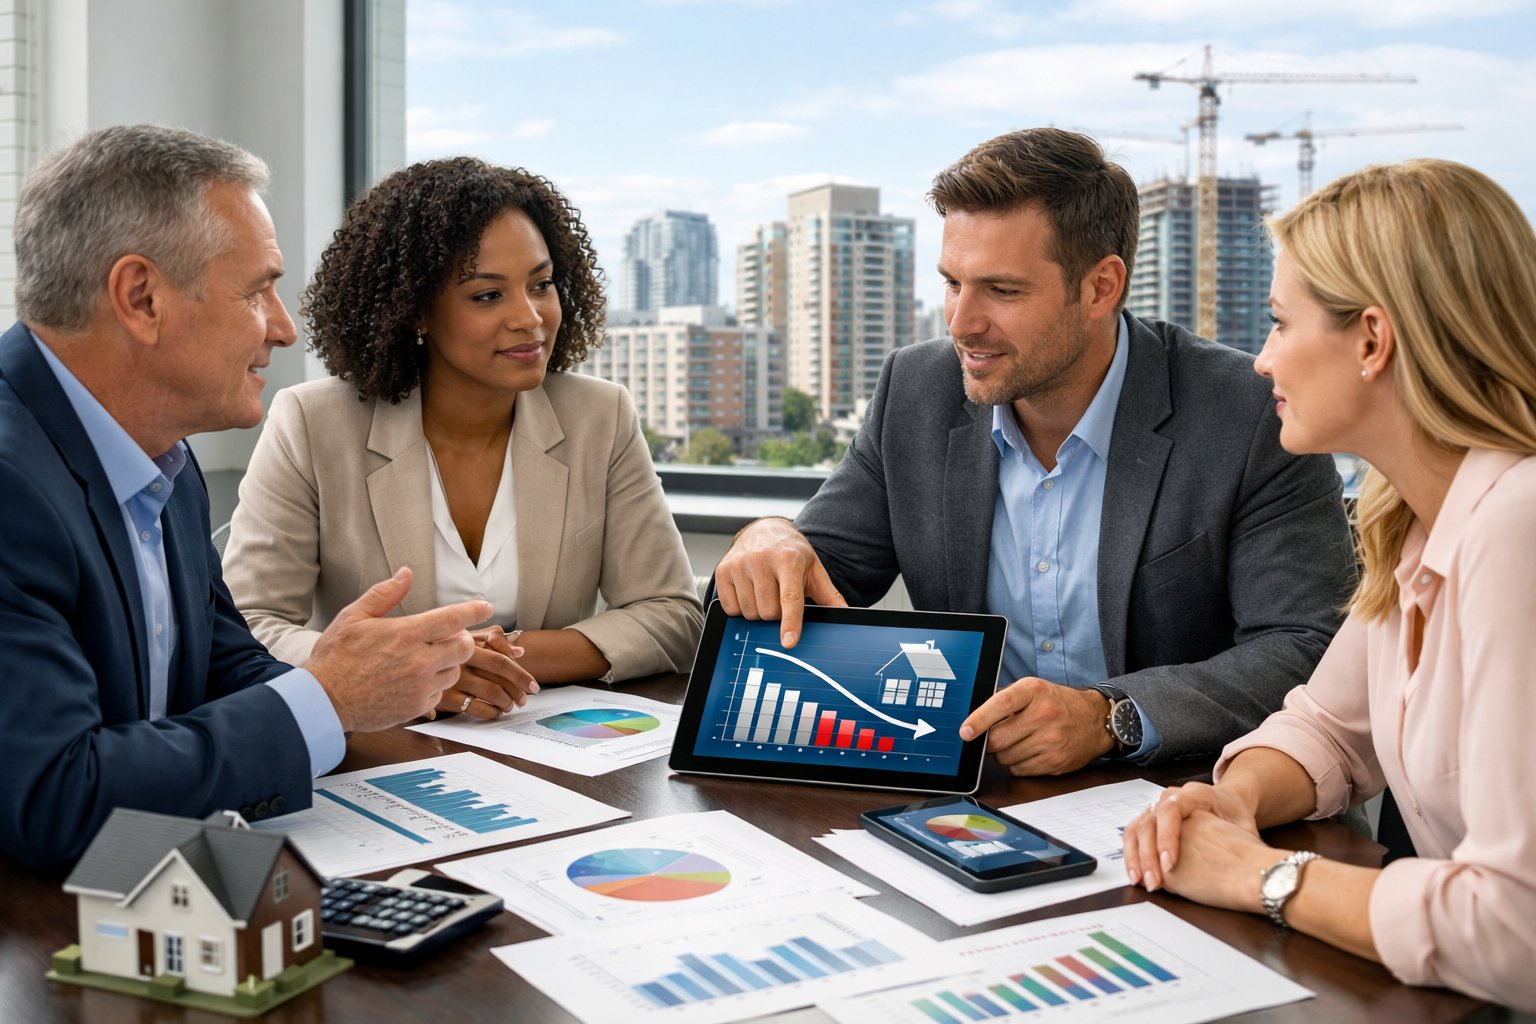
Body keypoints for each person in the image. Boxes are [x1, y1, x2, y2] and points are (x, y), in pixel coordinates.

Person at [714, 128, 1356, 775]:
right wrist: (769, 539)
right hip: (984, 798)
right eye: (952, 283)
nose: (961, 322)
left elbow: (1307, 645)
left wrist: (1112, 716)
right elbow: (815, 574)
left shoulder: (1246, 412)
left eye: (1002, 290)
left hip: (1196, 794)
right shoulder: (916, 391)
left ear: (1102, 287)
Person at [0, 125, 498, 872]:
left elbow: (223, 671)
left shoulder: (161, 456)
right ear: (141, 298)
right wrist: (327, 701)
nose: (284, 327)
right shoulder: (10, 483)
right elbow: (56, 799)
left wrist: (363, 680)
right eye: (257, 289)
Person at [1121, 161, 1536, 1010]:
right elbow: (1333, 730)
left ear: (1374, 341)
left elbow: (1516, 927)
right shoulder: (1415, 518)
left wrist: (1262, 875)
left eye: (1278, 324)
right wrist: (1230, 801)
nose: (1262, 361)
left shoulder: (1516, 528)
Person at [222, 157, 701, 719]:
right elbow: (248, 630)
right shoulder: (311, 422)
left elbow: (673, 614)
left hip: (550, 746)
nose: (531, 318)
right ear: (418, 312)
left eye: (542, 285)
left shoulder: (600, 416)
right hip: (379, 747)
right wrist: (401, 673)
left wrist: (501, 660)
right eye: (487, 296)